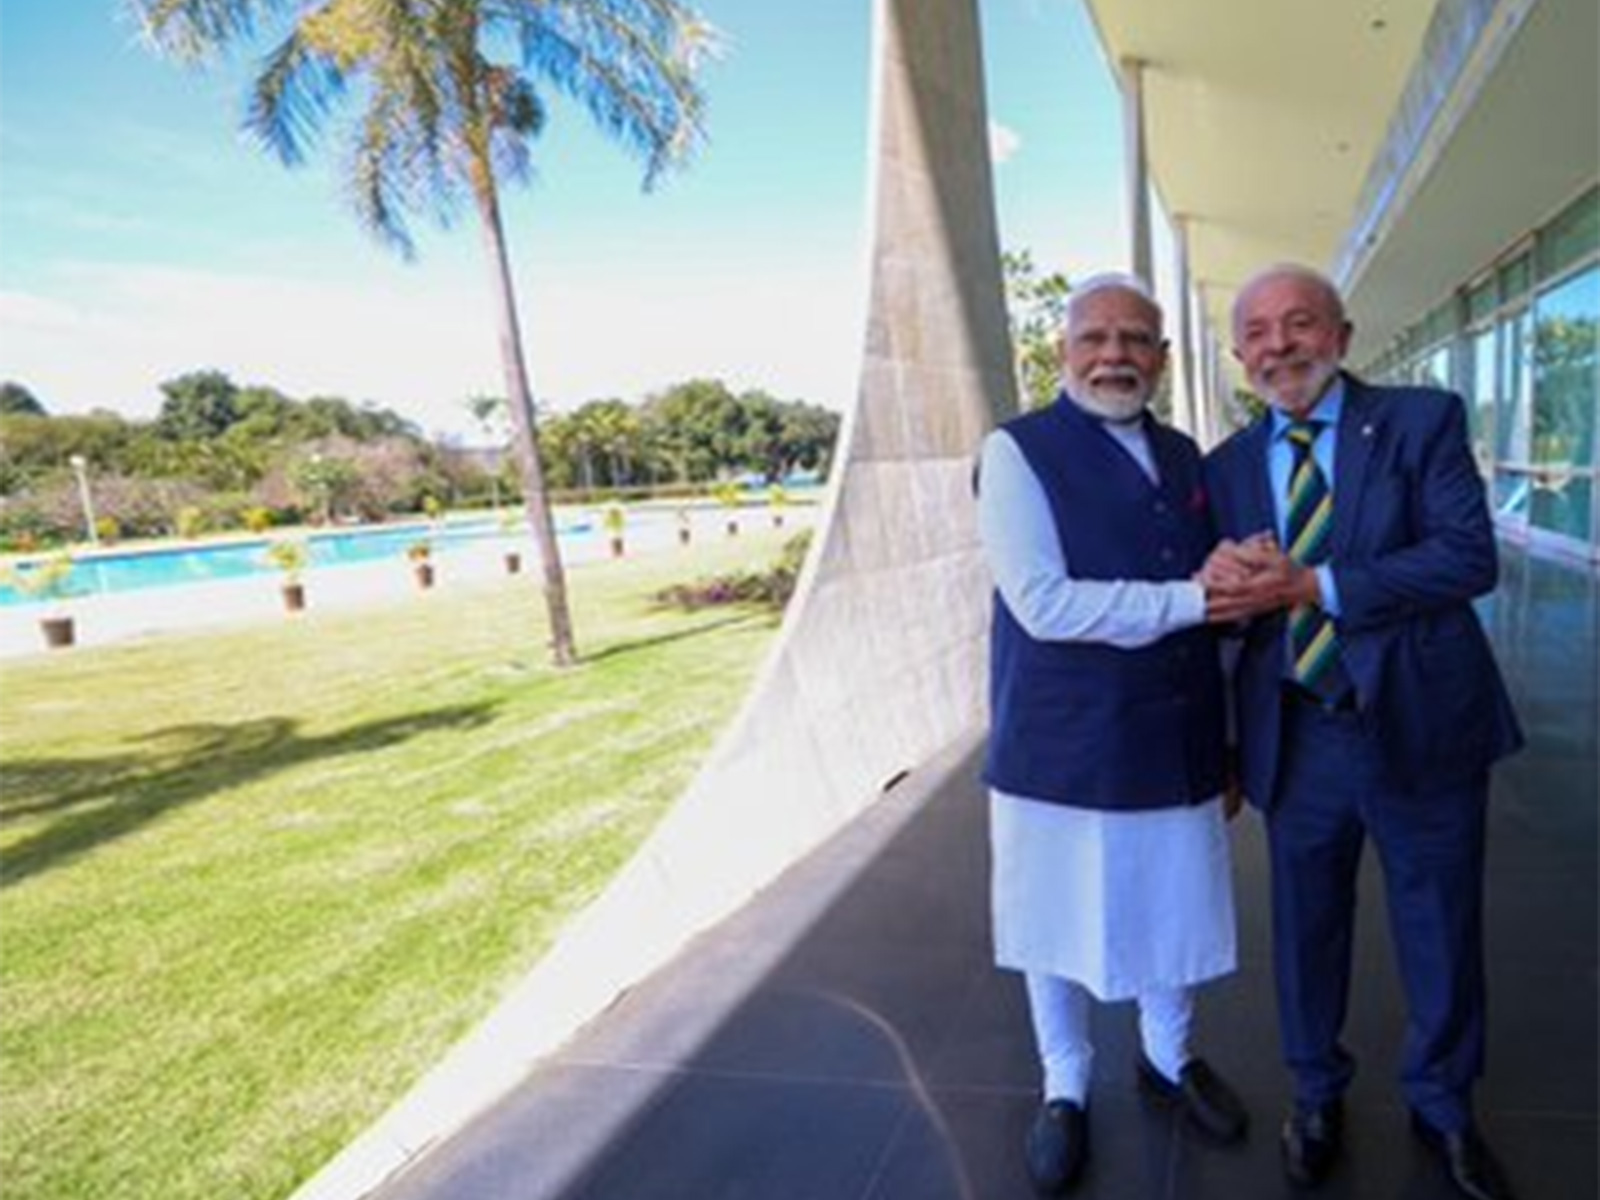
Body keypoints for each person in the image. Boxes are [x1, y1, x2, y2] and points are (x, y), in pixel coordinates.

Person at [1201, 263, 1524, 1200]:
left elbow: (1468, 557)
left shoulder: (1421, 421)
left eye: (1299, 324)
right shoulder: (1226, 467)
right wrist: (1226, 585)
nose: (1279, 345)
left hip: (1422, 725)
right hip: (1301, 735)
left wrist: (1317, 586)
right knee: (1305, 931)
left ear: (1341, 334)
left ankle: (1444, 1106)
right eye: (1258, 332)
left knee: (1440, 925)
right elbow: (1227, 615)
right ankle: (1315, 1095)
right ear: (1237, 355)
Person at [977, 273, 1249, 1196]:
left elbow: (1212, 581)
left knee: (1170, 906)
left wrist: (1229, 740)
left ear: (1163, 358)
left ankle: (1169, 1060)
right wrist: (1195, 599)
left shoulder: (1183, 455)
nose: (1115, 355)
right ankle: (1065, 1086)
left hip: (1173, 733)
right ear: (1063, 352)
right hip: (1060, 738)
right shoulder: (1015, 452)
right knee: (1052, 917)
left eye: (1137, 340)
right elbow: (1043, 603)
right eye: (1096, 337)